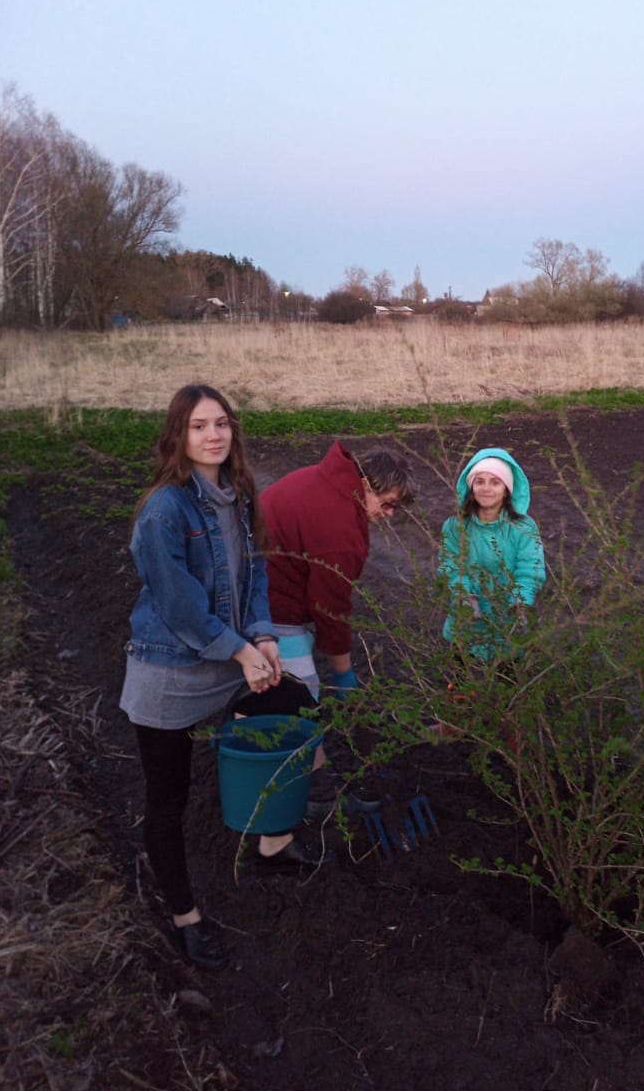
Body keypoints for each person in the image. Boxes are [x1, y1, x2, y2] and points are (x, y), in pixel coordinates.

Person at [121, 384, 332, 973]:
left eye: (221, 423)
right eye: (197, 426)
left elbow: (257, 572)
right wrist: (242, 652)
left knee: (297, 704)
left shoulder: (238, 495)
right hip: (169, 668)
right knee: (168, 800)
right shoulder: (165, 509)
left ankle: (272, 842)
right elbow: (180, 605)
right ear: (178, 437)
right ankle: (185, 918)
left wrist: (263, 636)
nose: (213, 435)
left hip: (232, 652)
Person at [260, 441, 416, 807]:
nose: (390, 514)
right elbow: (329, 607)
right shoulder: (340, 530)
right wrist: (343, 674)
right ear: (366, 484)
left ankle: (313, 787)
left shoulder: (330, 480)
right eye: (388, 503)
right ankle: (316, 797)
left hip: (274, 587)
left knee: (298, 689)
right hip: (268, 604)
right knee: (300, 697)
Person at [439, 448, 545, 665]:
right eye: (480, 482)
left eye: (495, 482)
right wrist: (465, 598)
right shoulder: (455, 527)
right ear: (471, 487)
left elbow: (530, 568)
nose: (486, 489)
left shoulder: (523, 527)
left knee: (507, 682)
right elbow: (451, 566)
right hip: (468, 619)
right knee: (463, 682)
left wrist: (519, 603)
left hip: (508, 621)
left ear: (506, 489)